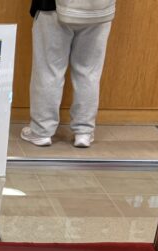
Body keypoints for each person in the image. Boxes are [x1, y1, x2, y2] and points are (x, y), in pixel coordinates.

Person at [21, 0, 115, 149]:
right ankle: (84, 132)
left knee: (49, 70)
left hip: (51, 7)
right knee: (88, 72)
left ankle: (41, 131)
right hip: (99, 9)